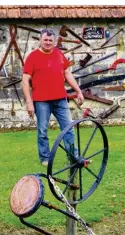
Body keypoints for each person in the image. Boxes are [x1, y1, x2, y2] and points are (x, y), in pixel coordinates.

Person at [22, 28, 84, 167]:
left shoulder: (58, 54)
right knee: (42, 130)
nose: (48, 43)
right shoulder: (32, 57)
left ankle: (73, 156)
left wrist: (78, 91)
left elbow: (67, 73)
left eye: (51, 40)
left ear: (54, 41)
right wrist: (29, 102)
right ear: (40, 40)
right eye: (45, 40)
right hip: (41, 101)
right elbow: (25, 81)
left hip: (60, 99)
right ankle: (45, 157)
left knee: (69, 128)